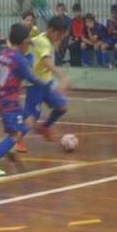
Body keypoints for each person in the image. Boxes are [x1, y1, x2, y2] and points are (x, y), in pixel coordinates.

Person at [0, 24, 51, 176]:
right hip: (9, 101)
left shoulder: (2, 54)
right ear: (24, 42)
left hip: (0, 98)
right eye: (29, 43)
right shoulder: (20, 60)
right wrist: (49, 86)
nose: (29, 46)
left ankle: (8, 147)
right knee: (16, 134)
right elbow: (31, 78)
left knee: (28, 119)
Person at [21, 16, 71, 144]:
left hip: (46, 84)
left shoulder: (43, 37)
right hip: (35, 85)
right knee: (32, 117)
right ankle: (16, 140)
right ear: (50, 30)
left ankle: (45, 127)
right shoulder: (44, 42)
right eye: (58, 35)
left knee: (62, 106)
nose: (60, 38)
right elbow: (47, 62)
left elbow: (31, 42)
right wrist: (63, 76)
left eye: (62, 36)